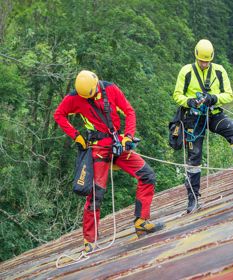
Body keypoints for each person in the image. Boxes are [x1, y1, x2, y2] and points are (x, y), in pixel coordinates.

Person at [54, 70, 164, 253]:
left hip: (117, 143)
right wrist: (76, 137)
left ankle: (141, 221)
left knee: (147, 175)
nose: (92, 96)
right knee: (96, 194)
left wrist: (128, 137)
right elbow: (59, 115)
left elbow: (129, 112)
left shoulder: (110, 89)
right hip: (97, 148)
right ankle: (89, 240)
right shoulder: (75, 97)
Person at [173, 39, 233, 213]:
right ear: (196, 57)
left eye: (207, 61)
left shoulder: (219, 71)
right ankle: (193, 199)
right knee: (194, 156)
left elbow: (228, 95)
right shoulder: (187, 72)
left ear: (212, 58)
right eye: (202, 61)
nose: (205, 64)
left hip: (214, 115)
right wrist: (189, 101)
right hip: (193, 117)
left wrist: (214, 98)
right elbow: (177, 95)